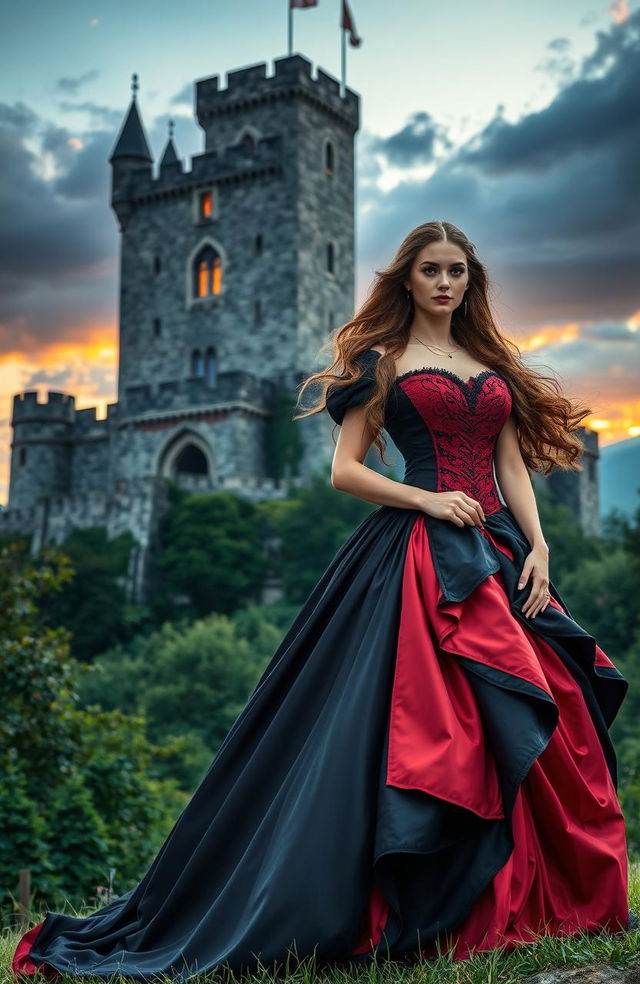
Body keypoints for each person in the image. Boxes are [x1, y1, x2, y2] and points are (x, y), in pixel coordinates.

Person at [12, 220, 634, 981]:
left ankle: (540, 895)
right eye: (431, 270)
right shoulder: (383, 362)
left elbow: (509, 461)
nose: (445, 283)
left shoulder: (488, 362)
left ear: (471, 281)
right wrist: (427, 500)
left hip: (501, 552)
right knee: (432, 727)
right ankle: (439, 900)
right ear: (407, 279)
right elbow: (346, 470)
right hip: (419, 556)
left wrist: (539, 547)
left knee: (544, 703)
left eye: (458, 272)